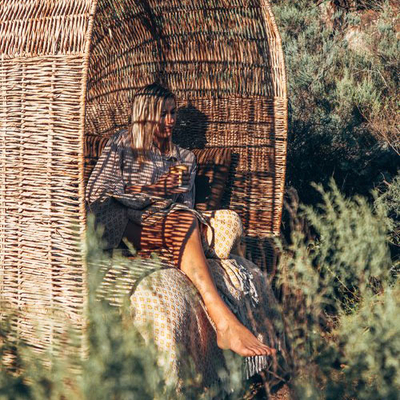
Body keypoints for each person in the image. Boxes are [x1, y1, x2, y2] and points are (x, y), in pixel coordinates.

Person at [86, 83, 284, 381]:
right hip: (122, 222)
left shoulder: (184, 158)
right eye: (162, 114)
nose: (170, 120)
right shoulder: (120, 145)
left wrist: (165, 195)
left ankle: (221, 318)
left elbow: (184, 207)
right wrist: (153, 190)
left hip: (163, 226)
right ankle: (224, 321)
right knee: (124, 214)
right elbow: (97, 195)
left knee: (194, 218)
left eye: (172, 113)